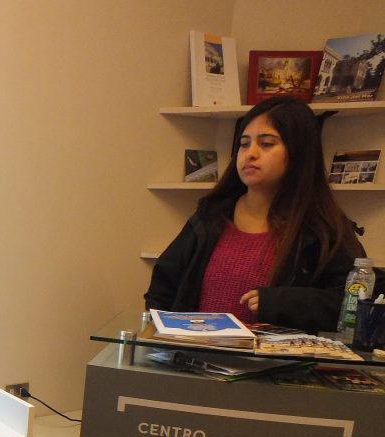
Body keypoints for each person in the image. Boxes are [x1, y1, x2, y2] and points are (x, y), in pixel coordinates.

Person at [145, 95, 366, 332]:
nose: (251, 153)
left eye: (267, 143)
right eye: (244, 143)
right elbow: (162, 290)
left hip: (277, 366)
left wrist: (282, 303)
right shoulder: (210, 217)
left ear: (299, 153)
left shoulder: (324, 230)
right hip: (192, 361)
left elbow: (356, 304)